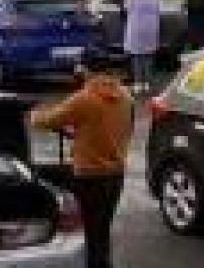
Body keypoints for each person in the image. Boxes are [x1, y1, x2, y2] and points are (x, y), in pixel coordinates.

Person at [30, 50, 133, 268]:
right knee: (102, 230)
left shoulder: (85, 98)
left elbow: (47, 120)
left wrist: (32, 114)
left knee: (90, 232)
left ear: (87, 69)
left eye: (80, 67)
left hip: (89, 176)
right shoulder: (125, 96)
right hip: (116, 175)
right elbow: (114, 128)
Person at [121, 0, 161, 93]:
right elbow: (158, 8)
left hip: (136, 27)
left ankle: (138, 83)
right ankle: (147, 83)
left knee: (137, 57)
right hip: (150, 28)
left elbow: (126, 8)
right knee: (148, 56)